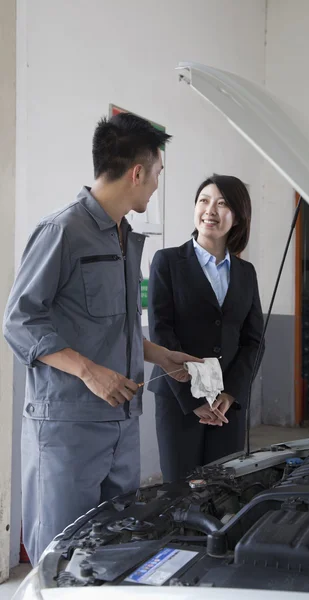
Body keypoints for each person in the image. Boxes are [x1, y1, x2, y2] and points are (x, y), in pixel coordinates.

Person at [3, 112, 201, 565]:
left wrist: (163, 355)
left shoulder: (125, 237)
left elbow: (116, 327)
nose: (155, 187)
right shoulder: (62, 231)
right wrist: (90, 373)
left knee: (112, 553)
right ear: (137, 172)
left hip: (122, 425)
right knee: (60, 556)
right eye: (157, 176)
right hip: (69, 430)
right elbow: (18, 321)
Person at [148, 174, 264, 482]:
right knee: (181, 493)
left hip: (228, 406)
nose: (210, 210)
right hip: (180, 402)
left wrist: (231, 393)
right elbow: (161, 332)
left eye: (222, 203)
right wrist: (195, 398)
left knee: (223, 493)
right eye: (204, 200)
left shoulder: (246, 273)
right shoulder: (167, 262)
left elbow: (254, 340)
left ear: (237, 217)